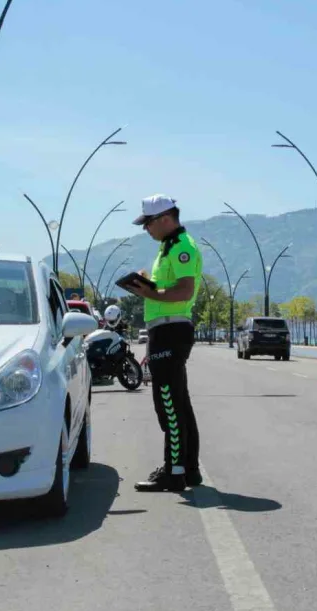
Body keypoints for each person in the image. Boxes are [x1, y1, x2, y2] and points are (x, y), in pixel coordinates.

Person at [123, 194, 204, 492]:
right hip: (167, 330)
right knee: (180, 403)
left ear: (166, 219)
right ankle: (189, 470)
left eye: (148, 223)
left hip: (171, 332)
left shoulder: (181, 247)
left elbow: (184, 291)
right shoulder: (168, 248)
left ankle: (174, 473)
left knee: (167, 403)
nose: (146, 229)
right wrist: (147, 283)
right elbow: (168, 287)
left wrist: (149, 293)